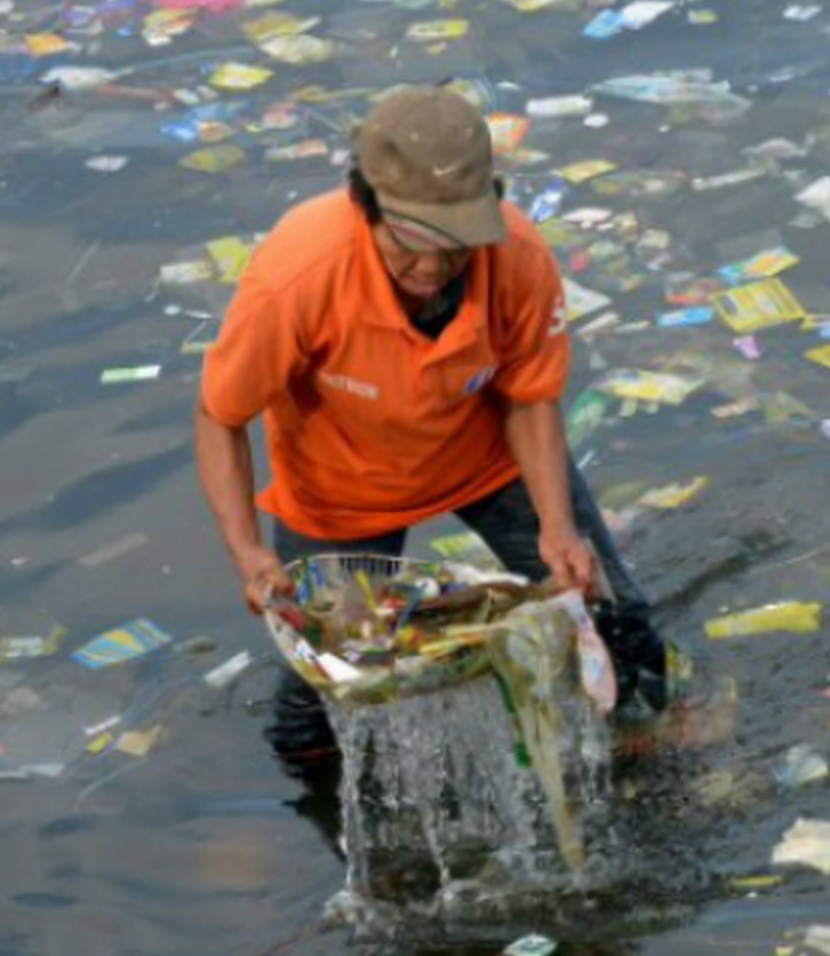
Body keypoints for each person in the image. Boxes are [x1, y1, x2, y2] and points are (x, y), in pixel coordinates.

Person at [193, 86, 671, 761]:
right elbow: (220, 415)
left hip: (488, 459)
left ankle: (647, 751)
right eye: (410, 243)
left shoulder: (519, 258)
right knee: (326, 688)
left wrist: (557, 528)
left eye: (455, 246)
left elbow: (530, 399)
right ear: (366, 207)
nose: (431, 266)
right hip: (341, 491)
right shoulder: (299, 275)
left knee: (613, 615)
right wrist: (248, 552)